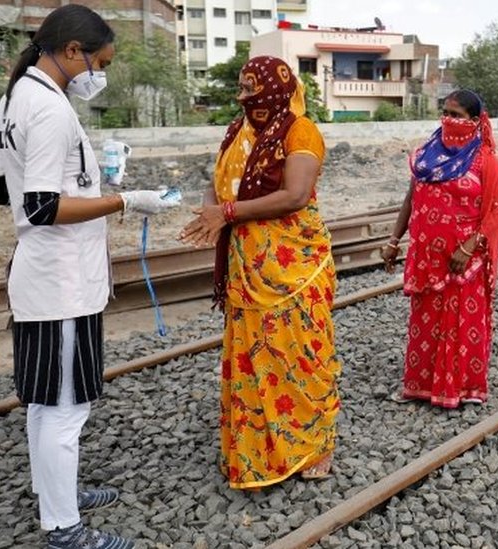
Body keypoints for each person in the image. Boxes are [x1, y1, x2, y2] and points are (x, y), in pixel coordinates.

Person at [0, 5, 180, 548]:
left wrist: (87, 182)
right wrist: (122, 199)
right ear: (73, 51)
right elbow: (42, 206)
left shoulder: (16, 96)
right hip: (61, 283)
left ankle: (57, 495)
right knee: (66, 407)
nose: (101, 74)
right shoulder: (48, 110)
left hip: (43, 276)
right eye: (101, 62)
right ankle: (64, 529)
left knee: (46, 401)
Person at [178, 56, 340, 487]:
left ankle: (312, 446)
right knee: (254, 357)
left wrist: (226, 212)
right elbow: (220, 179)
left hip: (294, 266)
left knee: (299, 355)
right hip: (247, 265)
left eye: (251, 88)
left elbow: (296, 194)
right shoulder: (238, 131)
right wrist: (211, 212)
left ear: (275, 88)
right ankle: (258, 453)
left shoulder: (300, 130)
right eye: (242, 88)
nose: (244, 97)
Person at [381, 89, 498, 408]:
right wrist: (394, 241)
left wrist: (467, 248)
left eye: (458, 116)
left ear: (476, 121)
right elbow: (410, 200)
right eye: (446, 113)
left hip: (462, 261)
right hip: (427, 260)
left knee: (461, 324)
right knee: (425, 324)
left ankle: (463, 389)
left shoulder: (485, 161)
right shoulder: (427, 156)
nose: (450, 120)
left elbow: (494, 211)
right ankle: (420, 385)